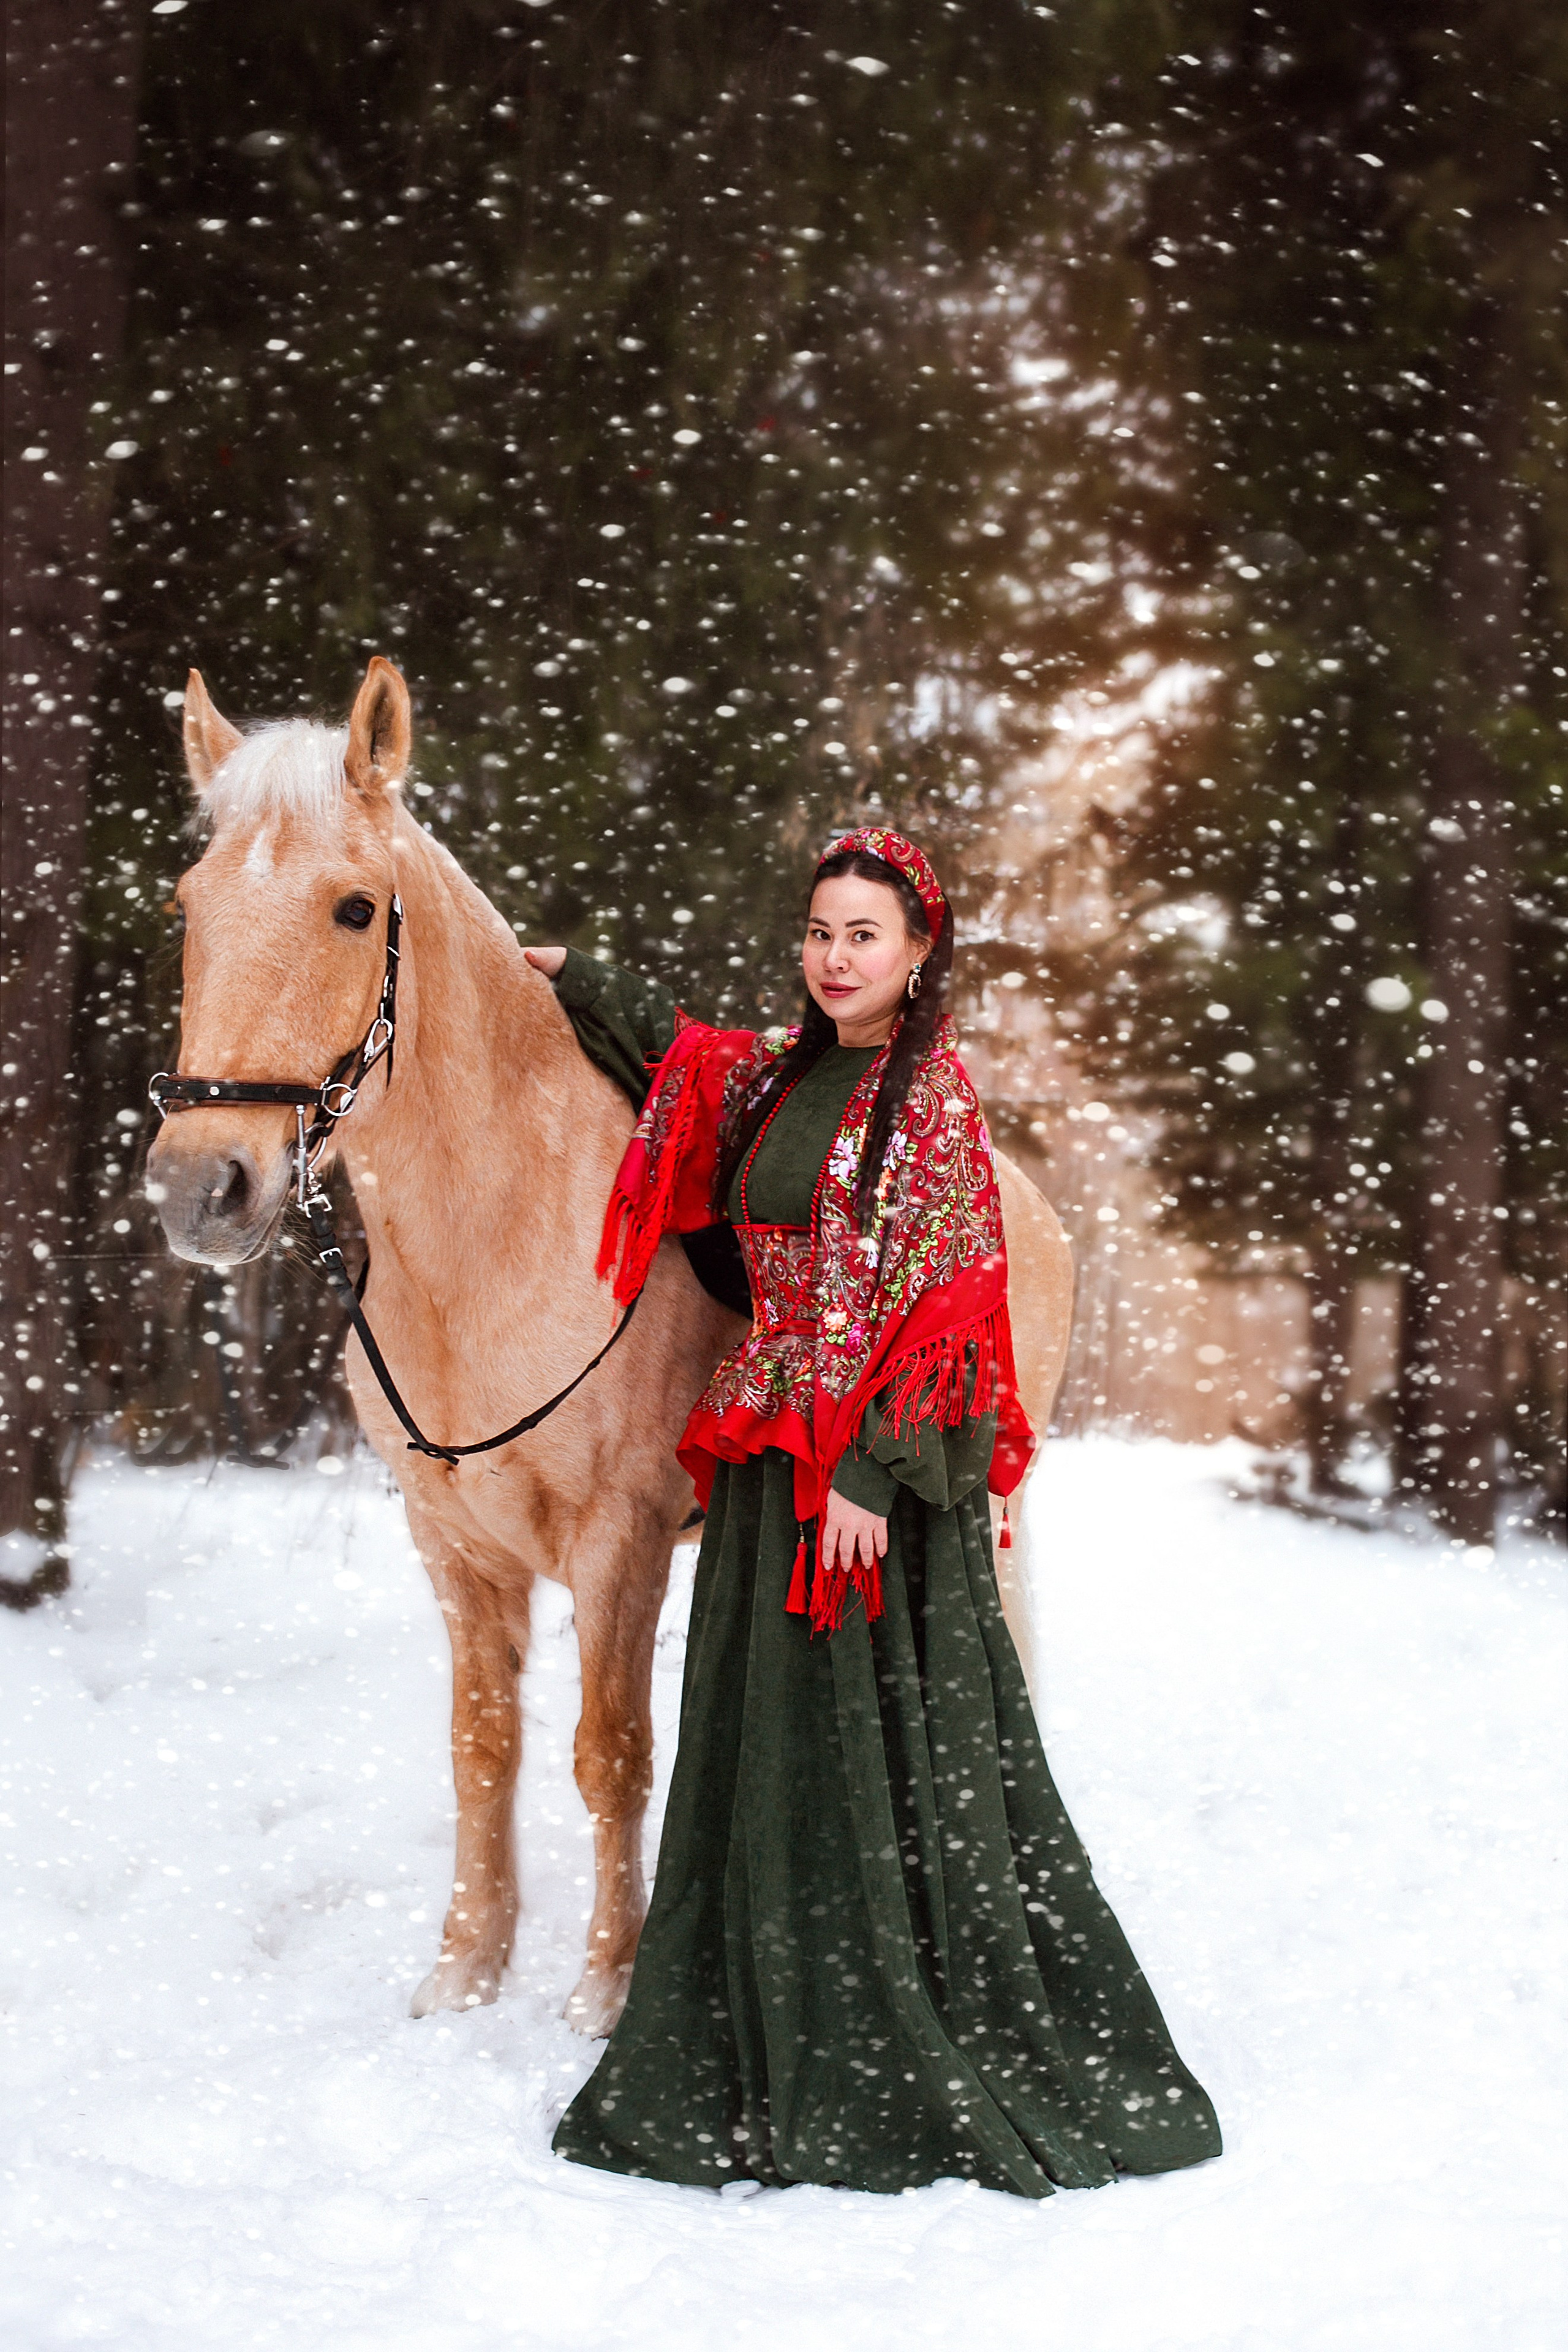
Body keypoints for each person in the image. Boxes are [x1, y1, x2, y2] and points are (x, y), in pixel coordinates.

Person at [526, 827, 1221, 2199]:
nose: (834, 957)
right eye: (819, 932)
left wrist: (872, 1470)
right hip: (767, 1449)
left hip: (864, 1480)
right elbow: (678, 1061)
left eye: (863, 935)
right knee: (761, 1745)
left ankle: (882, 2029)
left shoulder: (929, 1100)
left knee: (875, 1745)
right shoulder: (782, 1081)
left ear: (914, 954)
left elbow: (952, 1300)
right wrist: (562, 976)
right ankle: (765, 2012)